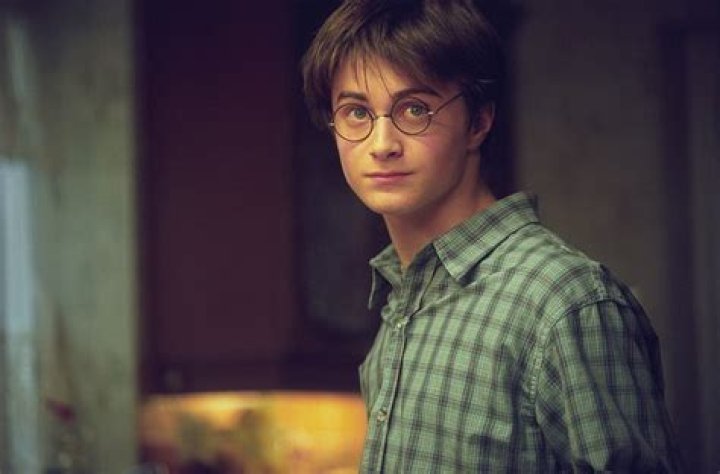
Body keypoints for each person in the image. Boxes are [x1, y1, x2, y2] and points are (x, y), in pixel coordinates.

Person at [301, 0, 681, 471]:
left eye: (415, 109)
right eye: (356, 112)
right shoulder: (405, 299)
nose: (382, 145)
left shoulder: (565, 302)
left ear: (478, 122)